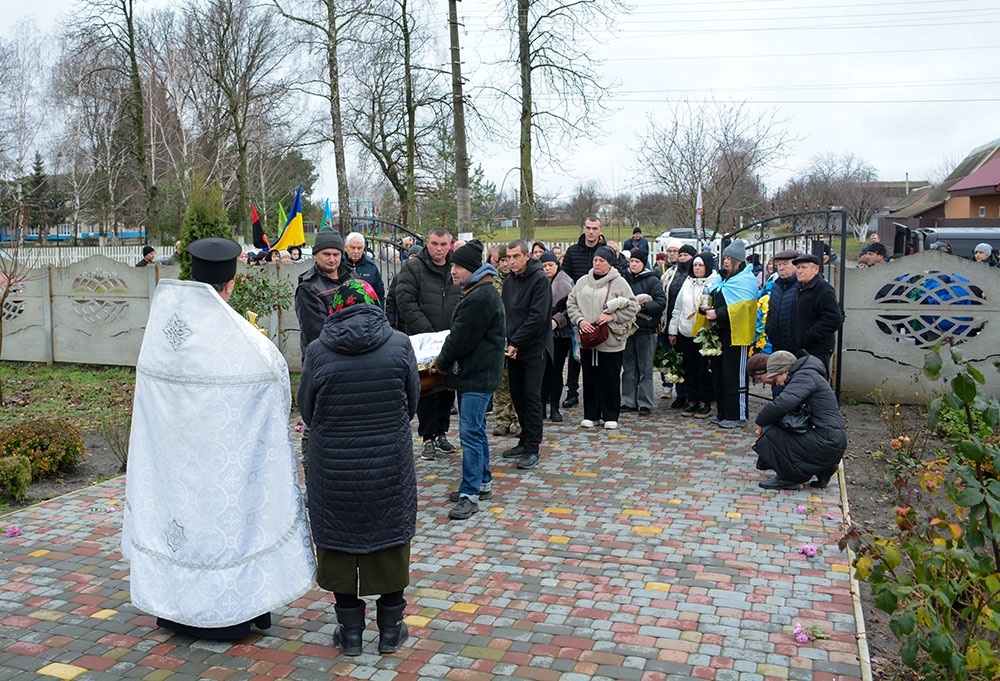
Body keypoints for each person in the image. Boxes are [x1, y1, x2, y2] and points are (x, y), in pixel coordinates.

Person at [122, 237, 315, 640]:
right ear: (230, 285)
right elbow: (277, 391)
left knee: (179, 526)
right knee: (222, 529)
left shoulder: (161, 332)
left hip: (171, 462)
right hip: (222, 466)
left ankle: (173, 608)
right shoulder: (248, 347)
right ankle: (231, 613)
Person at [298, 278, 419, 656]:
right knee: (390, 538)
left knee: (338, 540)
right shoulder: (400, 345)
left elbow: (307, 408)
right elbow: (412, 401)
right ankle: (390, 631)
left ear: (336, 309)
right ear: (375, 304)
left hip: (334, 466)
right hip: (388, 462)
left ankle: (349, 635)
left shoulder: (318, 351)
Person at [432, 241, 506, 520]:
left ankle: (470, 493)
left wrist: (440, 363)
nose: (452, 271)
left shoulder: (480, 297)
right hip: (476, 373)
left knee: (471, 433)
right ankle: (483, 482)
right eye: (451, 265)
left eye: (457, 266)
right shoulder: (478, 291)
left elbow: (460, 338)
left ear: (472, 269)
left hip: (476, 375)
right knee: (477, 429)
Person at [394, 228, 461, 459]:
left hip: (450, 339)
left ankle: (441, 433)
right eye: (434, 244)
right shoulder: (413, 267)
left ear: (449, 244)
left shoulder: (456, 267)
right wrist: (428, 332)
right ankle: (427, 437)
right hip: (423, 340)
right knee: (426, 388)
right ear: (427, 243)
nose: (439, 249)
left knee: (446, 387)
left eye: (443, 244)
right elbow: (405, 300)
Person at [566, 246, 639, 430]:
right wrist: (580, 320)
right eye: (595, 260)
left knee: (610, 377)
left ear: (610, 263)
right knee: (590, 377)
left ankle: (610, 415)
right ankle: (591, 414)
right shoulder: (583, 281)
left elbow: (632, 307)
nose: (597, 264)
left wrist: (612, 317)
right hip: (588, 338)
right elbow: (571, 302)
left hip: (610, 339)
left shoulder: (619, 283)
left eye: (602, 261)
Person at [752, 351, 847, 491]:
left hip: (826, 442)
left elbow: (781, 405)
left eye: (776, 377)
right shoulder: (809, 374)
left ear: (785, 371)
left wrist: (760, 423)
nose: (776, 382)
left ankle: (789, 477)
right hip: (831, 440)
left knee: (771, 432)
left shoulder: (804, 377)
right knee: (779, 427)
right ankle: (822, 468)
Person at [500, 239, 552, 470]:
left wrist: (517, 341)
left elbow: (537, 317)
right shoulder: (511, 281)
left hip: (534, 348)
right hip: (513, 348)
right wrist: (507, 341)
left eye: (516, 257)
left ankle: (533, 446)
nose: (511, 261)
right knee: (517, 394)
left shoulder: (539, 280)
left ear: (527, 256)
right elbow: (508, 314)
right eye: (508, 257)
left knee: (531, 397)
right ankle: (523, 440)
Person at [704, 240, 758, 429]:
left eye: (729, 259)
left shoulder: (745, 281)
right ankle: (723, 412)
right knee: (719, 374)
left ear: (738, 261)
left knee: (734, 374)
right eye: (724, 258)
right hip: (721, 333)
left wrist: (718, 313)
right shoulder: (723, 280)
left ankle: (737, 414)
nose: (725, 262)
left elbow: (744, 308)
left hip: (737, 335)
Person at [561, 217, 610, 408]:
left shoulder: (606, 252)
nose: (591, 232)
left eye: (595, 228)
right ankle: (572, 392)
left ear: (600, 230)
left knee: (601, 355)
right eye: (588, 228)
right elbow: (565, 280)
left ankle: (600, 392)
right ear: (584, 229)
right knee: (576, 356)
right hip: (578, 309)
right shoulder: (573, 251)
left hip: (600, 308)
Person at [668, 252, 719, 419]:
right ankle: (692, 399)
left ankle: (705, 401)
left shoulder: (714, 283)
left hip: (704, 333)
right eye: (695, 265)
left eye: (701, 265)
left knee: (703, 369)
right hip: (685, 331)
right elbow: (678, 308)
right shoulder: (687, 282)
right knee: (689, 368)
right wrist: (672, 330)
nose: (697, 268)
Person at [295, 230, 354, 360]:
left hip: (353, 357)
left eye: (336, 254)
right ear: (315, 255)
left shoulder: (352, 278)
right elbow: (318, 333)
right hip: (324, 360)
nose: (332, 259)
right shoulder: (308, 288)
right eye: (326, 254)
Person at [622, 248, 666, 415]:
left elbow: (661, 302)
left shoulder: (652, 280)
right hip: (627, 329)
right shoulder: (624, 278)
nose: (633, 264)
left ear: (643, 264)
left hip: (645, 328)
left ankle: (645, 402)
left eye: (637, 262)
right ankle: (629, 400)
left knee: (645, 368)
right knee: (628, 367)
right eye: (632, 261)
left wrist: (643, 307)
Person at [788, 253, 844, 371]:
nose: (799, 271)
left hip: (817, 349)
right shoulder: (800, 288)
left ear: (816, 269)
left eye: (804, 268)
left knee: (816, 383)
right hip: (800, 349)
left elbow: (833, 319)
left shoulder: (823, 288)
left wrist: (809, 336)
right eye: (798, 268)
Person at [659, 243, 697, 407]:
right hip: (668, 323)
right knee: (672, 361)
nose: (682, 258)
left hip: (688, 326)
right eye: (679, 255)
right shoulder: (669, 274)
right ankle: (679, 394)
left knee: (687, 362)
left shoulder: (695, 276)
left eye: (685, 255)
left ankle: (691, 394)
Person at [489, 245, 521, 437]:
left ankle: (518, 419)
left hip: (515, 335)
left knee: (516, 381)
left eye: (508, 260)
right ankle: (502, 420)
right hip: (498, 336)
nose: (505, 264)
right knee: (500, 382)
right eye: (501, 261)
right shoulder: (492, 283)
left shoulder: (518, 281)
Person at [540, 251, 574, 423]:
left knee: (556, 371)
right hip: (541, 333)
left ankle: (554, 407)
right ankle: (541, 407)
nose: (547, 269)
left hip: (561, 333)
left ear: (557, 265)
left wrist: (557, 320)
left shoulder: (566, 282)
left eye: (550, 265)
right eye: (544, 266)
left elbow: (572, 308)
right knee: (541, 371)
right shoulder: (538, 283)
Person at [763, 249, 801, 359]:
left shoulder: (801, 285)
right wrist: (769, 329)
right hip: (777, 344)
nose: (781, 268)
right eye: (779, 264)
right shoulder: (776, 285)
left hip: (796, 346)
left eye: (786, 264)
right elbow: (772, 311)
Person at [344, 232, 386, 306]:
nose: (356, 251)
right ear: (346, 247)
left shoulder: (371, 266)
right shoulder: (339, 264)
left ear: (363, 249)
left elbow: (379, 294)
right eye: (353, 248)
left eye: (359, 248)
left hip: (367, 311)